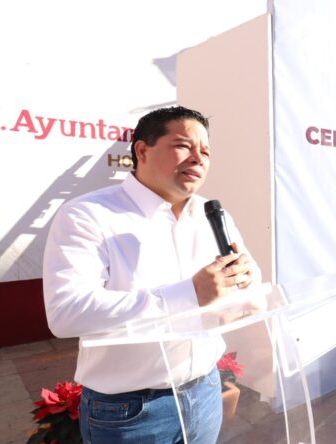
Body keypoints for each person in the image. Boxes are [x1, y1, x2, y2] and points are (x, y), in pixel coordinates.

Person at [43, 106, 261, 443]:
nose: (197, 158)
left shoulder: (213, 215)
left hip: (205, 392)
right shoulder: (87, 215)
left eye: (205, 151)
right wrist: (191, 294)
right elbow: (67, 313)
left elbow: (246, 279)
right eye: (183, 145)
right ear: (142, 150)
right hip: (130, 413)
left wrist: (246, 282)